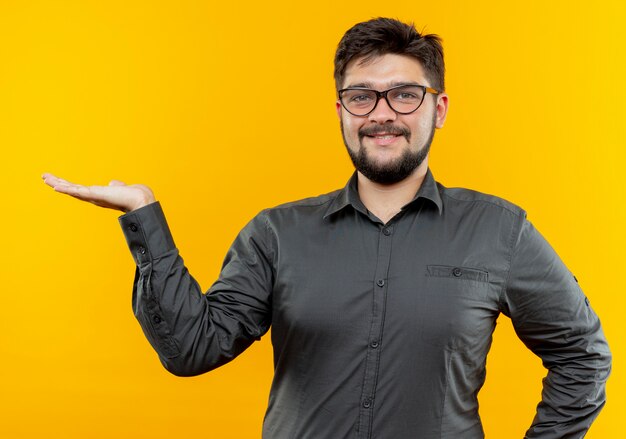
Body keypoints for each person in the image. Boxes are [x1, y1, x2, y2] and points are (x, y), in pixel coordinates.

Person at [43, 17, 610, 439]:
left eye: (405, 95)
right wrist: (144, 218)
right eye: (361, 96)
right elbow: (192, 350)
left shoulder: (499, 230)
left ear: (438, 109)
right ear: (340, 111)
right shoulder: (275, 234)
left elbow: (582, 354)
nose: (382, 112)